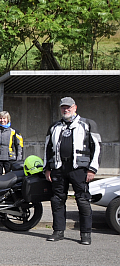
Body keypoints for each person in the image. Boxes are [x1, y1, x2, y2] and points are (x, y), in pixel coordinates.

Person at [44, 97, 101, 245]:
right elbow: (47, 150)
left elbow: (97, 147)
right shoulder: (54, 126)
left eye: (68, 107)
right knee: (57, 200)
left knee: (82, 200)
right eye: (63, 107)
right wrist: (47, 169)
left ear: (75, 107)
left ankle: (86, 234)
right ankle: (58, 231)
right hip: (58, 168)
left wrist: (92, 169)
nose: (66, 109)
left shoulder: (87, 124)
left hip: (80, 169)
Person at [0, 111, 23, 176]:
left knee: (11, 179)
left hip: (10, 159)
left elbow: (19, 147)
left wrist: (18, 162)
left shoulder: (15, 132)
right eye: (0, 118)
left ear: (8, 119)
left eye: (4, 118)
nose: (2, 120)